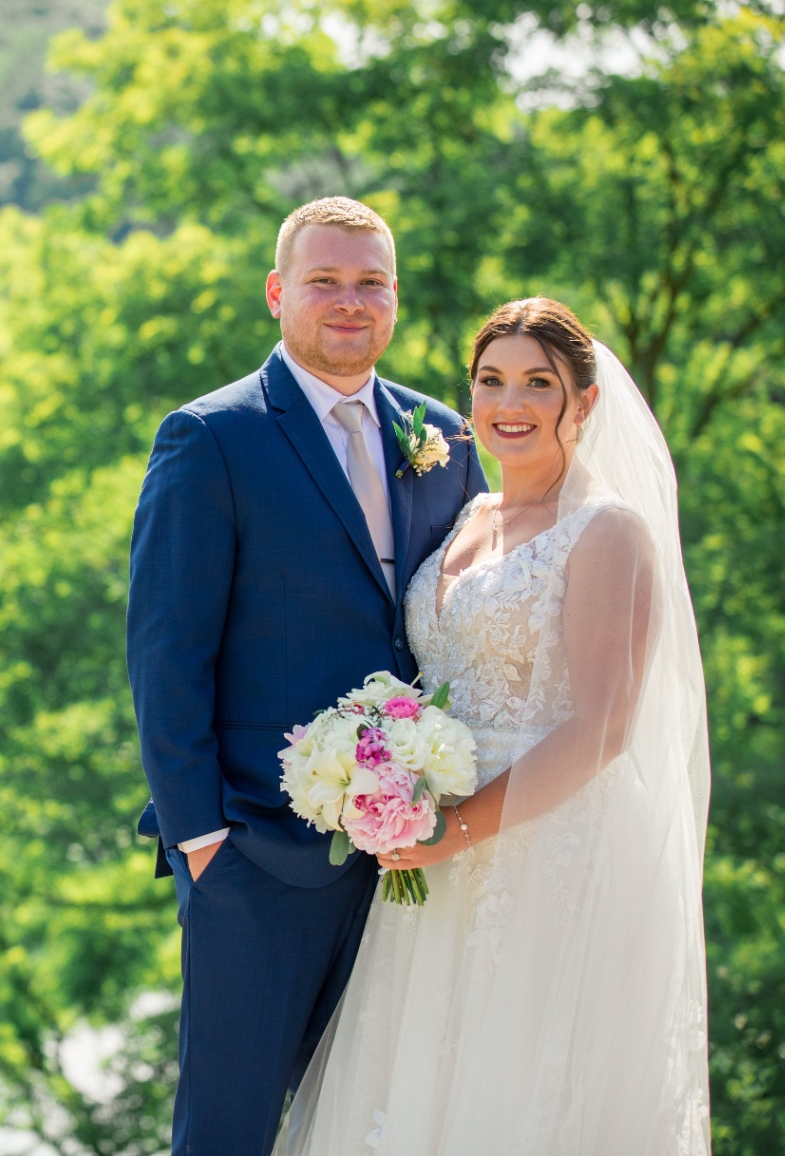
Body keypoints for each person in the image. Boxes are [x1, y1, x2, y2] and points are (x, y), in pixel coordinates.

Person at [273, 298, 712, 1154]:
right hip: (435, 863)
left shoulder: (607, 531)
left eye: (537, 383)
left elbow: (602, 726)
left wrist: (455, 832)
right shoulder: (468, 519)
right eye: (491, 380)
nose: (509, 401)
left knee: (517, 1093)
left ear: (581, 404)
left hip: (544, 852)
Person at [128, 197, 487, 1156]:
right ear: (279, 293)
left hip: (413, 862)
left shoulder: (444, 437)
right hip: (254, 856)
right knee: (231, 1132)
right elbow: (167, 653)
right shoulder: (211, 438)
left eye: (370, 283)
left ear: (396, 299)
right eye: (325, 281)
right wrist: (203, 841)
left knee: (381, 1125)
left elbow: (468, 625)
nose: (349, 301)